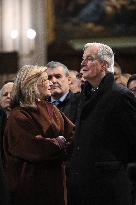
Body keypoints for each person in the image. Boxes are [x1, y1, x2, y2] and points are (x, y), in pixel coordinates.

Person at [69, 42, 136, 205]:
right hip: (83, 186)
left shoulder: (120, 96)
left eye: (89, 59)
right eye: (83, 58)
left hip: (109, 187)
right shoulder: (84, 96)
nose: (82, 63)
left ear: (104, 65)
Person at [3, 65, 74, 205]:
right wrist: (59, 143)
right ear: (32, 84)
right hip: (31, 187)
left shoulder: (51, 109)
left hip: (56, 184)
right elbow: (33, 147)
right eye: (45, 79)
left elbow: (72, 134)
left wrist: (63, 143)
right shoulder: (18, 115)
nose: (50, 82)